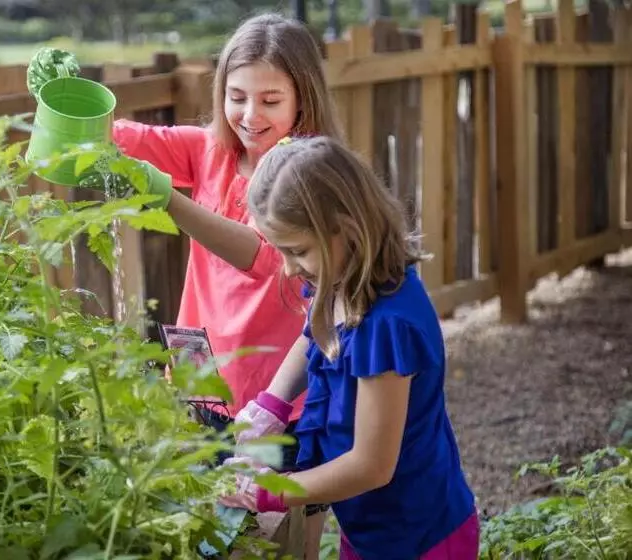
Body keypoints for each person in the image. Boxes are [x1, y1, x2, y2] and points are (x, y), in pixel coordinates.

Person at [110, 12, 344, 557]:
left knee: (280, 537)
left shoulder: (309, 171)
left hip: (278, 397)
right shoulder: (209, 150)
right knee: (207, 535)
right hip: (199, 384)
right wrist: (69, 103)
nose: (250, 115)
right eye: (237, 97)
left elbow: (261, 257)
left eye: (270, 100)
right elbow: (118, 140)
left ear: (303, 100)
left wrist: (170, 201)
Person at [218, 135, 479, 560]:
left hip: (419, 539)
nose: (289, 268)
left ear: (348, 226)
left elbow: (371, 466)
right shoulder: (341, 278)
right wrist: (272, 404)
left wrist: (272, 491)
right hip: (368, 529)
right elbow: (315, 333)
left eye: (298, 251)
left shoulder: (388, 326)